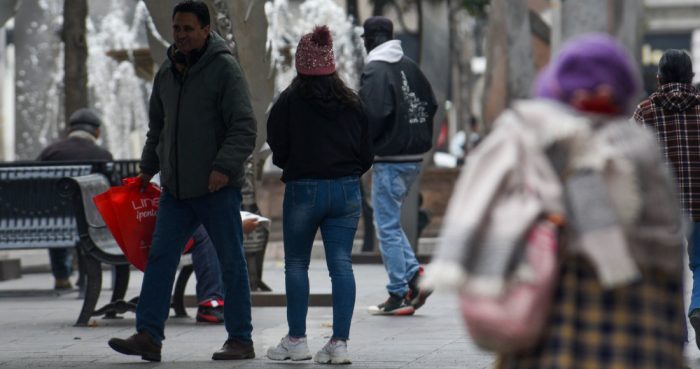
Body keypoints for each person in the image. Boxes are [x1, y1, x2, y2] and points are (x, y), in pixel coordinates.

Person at [427, 34, 686, 369]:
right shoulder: (642, 153)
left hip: (547, 346)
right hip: (641, 346)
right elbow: (669, 268)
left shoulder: (525, 144)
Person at [108, 0, 256, 362]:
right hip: (175, 191)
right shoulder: (167, 70)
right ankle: (148, 335)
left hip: (215, 188)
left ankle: (240, 339)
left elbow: (244, 126)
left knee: (231, 262)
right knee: (160, 258)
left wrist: (222, 168)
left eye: (189, 28)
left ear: (206, 29)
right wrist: (147, 168)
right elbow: (157, 127)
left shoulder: (224, 69)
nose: (182, 35)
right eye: (177, 28)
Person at [265, 25, 373, 364]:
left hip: (303, 189)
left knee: (296, 263)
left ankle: (296, 340)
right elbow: (367, 149)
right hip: (345, 188)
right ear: (331, 64)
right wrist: (350, 171)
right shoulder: (352, 102)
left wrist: (293, 164)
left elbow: (276, 145)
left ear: (300, 65)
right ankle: (338, 343)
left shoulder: (287, 101)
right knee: (341, 264)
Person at [359, 16, 437, 316]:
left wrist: (365, 149)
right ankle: (416, 278)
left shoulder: (375, 69)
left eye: (365, 38)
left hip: (390, 160)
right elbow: (431, 104)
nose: (364, 43)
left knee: (387, 227)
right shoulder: (410, 66)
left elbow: (372, 115)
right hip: (412, 158)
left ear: (372, 38)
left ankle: (398, 292)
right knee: (390, 223)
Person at [633, 49, 700, 348]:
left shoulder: (644, 111)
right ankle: (698, 308)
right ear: (692, 77)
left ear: (658, 77)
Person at [37, 108, 113, 290]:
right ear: (97, 132)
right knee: (84, 214)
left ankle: (61, 276)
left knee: (56, 218)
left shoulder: (50, 152)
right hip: (92, 220)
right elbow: (112, 189)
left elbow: (35, 186)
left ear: (70, 130)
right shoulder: (102, 155)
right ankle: (87, 273)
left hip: (52, 218)